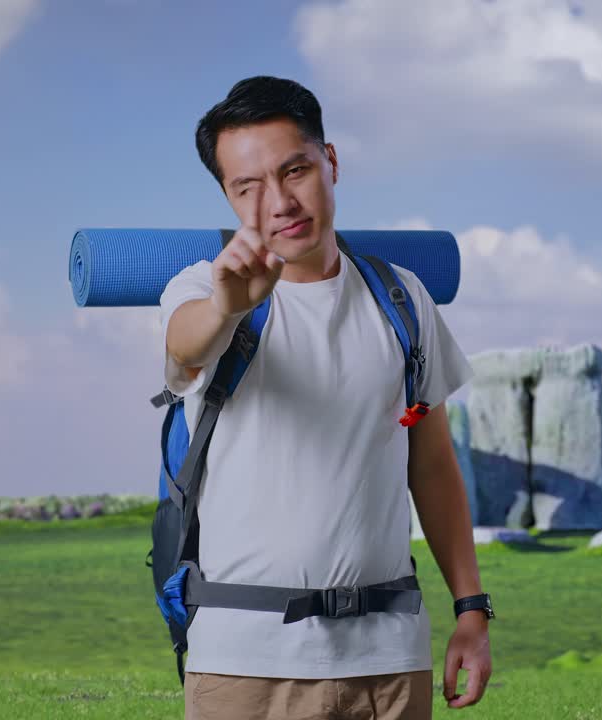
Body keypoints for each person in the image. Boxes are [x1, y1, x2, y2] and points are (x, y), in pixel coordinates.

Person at [160, 75, 492, 720]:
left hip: (390, 661)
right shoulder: (202, 289)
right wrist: (228, 306)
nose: (279, 202)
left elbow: (428, 460)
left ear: (330, 161)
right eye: (247, 188)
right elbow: (185, 347)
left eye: (296, 170)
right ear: (228, 198)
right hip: (245, 665)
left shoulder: (403, 300)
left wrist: (471, 609)